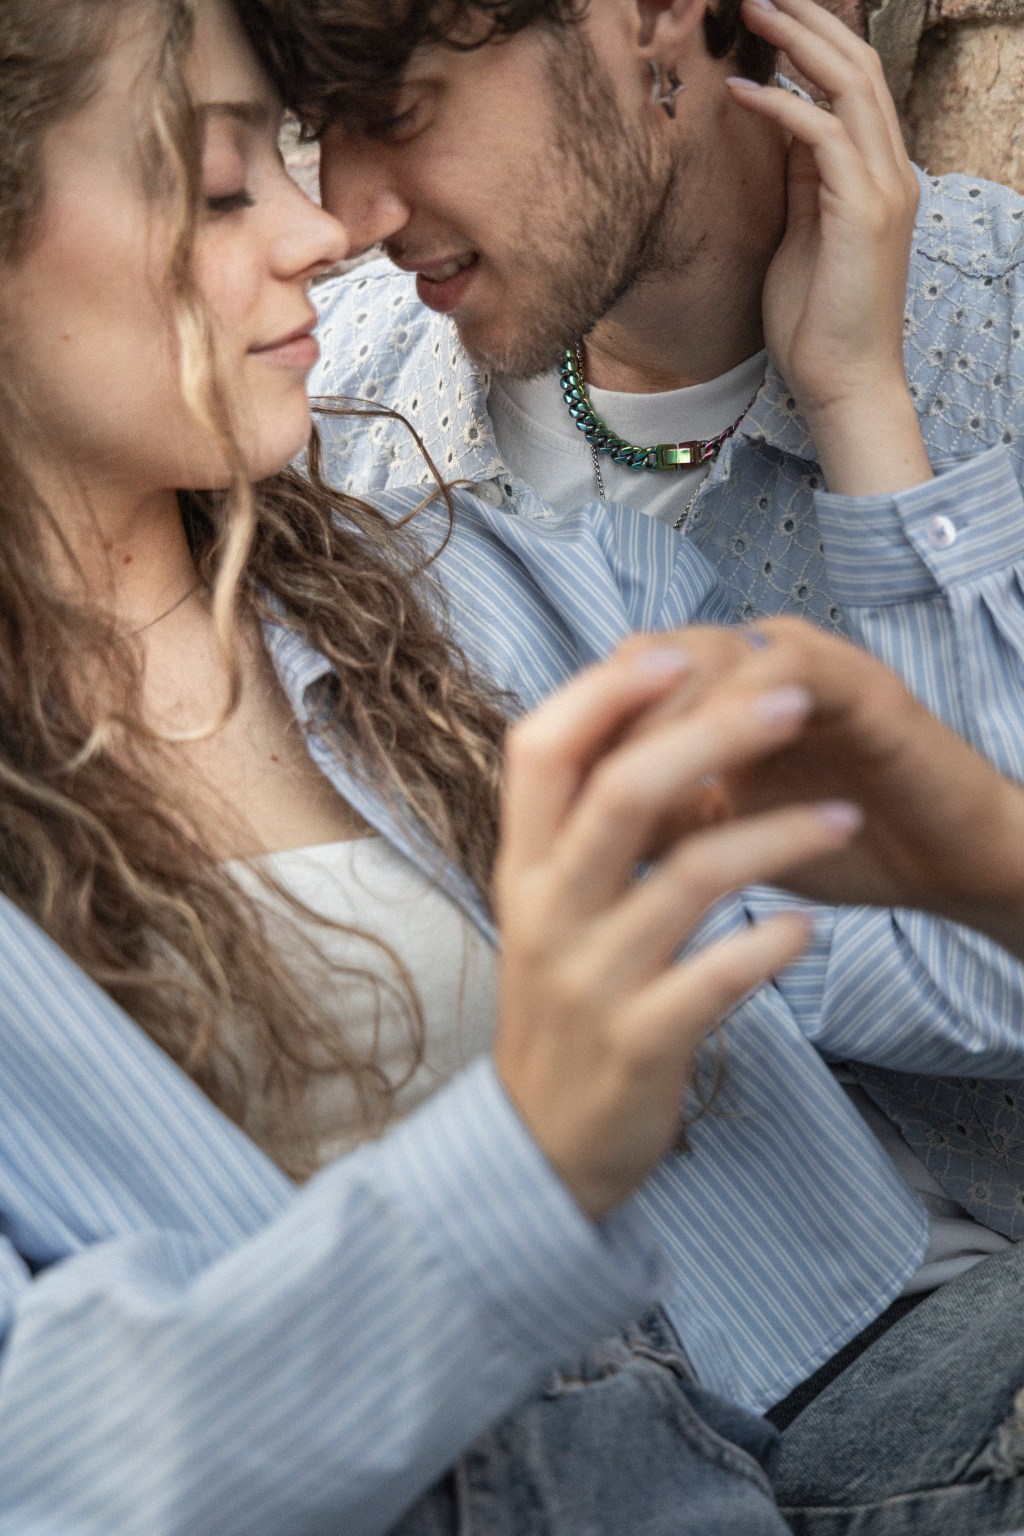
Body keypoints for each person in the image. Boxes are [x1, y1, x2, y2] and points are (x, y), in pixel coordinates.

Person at [0, 0, 874, 1531]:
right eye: (219, 185)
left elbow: (956, 976)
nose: (320, 231)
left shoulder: (496, 592)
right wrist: (520, 1168)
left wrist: (864, 406)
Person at [239, 0, 1024, 1527]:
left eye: (397, 110)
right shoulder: (336, 422)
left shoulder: (998, 330)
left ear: (656, 21)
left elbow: (1000, 957)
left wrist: (867, 417)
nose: (346, 208)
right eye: (312, 129)